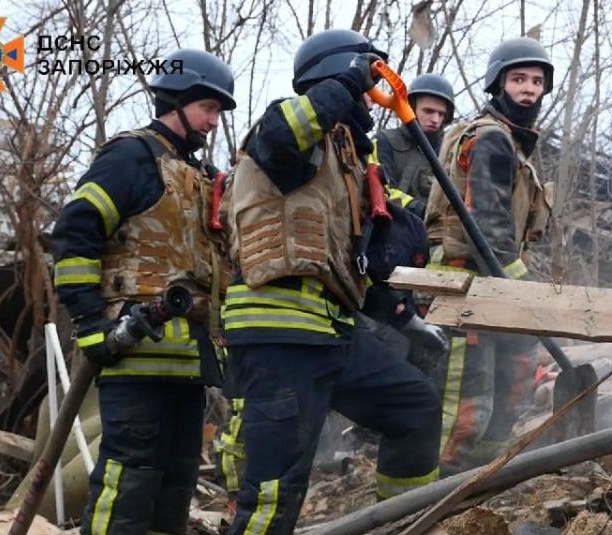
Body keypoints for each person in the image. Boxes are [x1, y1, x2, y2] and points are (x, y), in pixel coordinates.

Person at [221, 29, 442, 535]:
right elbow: (281, 136)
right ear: (340, 75)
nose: (371, 99)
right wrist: (349, 80)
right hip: (280, 331)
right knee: (275, 490)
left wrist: (405, 317)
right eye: (367, 85)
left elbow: (351, 265)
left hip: (331, 331)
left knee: (414, 409)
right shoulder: (287, 130)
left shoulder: (349, 163)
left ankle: (401, 527)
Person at [50, 48, 236, 535]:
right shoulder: (130, 158)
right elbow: (75, 232)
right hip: (135, 351)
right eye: (208, 108)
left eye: (217, 111)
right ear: (174, 100)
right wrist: (90, 321)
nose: (213, 122)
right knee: (129, 476)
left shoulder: (200, 177)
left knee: (175, 482)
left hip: (189, 360)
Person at [423, 37, 554, 475]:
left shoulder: (508, 143)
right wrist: (526, 292)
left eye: (537, 81)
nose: (529, 89)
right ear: (498, 84)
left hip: (492, 283)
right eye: (518, 79)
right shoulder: (491, 140)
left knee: (513, 381)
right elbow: (489, 225)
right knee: (468, 403)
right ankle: (433, 491)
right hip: (466, 285)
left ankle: (479, 481)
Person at [373, 73, 456, 205]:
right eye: (428, 111)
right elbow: (381, 191)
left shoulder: (450, 151)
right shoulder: (384, 141)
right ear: (411, 108)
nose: (435, 119)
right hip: (392, 217)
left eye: (441, 114)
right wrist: (420, 211)